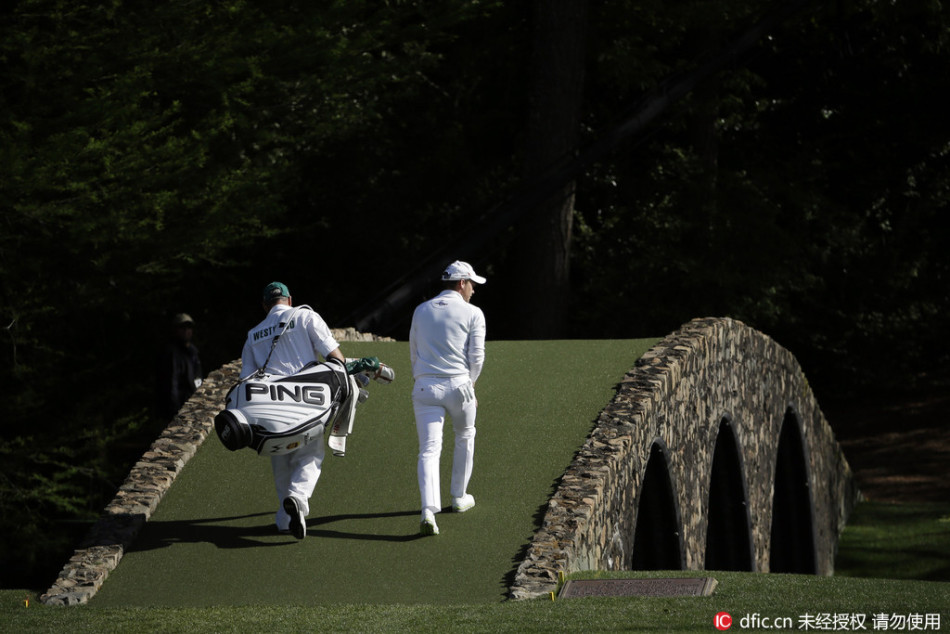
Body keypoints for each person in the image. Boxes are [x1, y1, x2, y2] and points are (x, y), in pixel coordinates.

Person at [240, 281, 345, 540]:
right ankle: (297, 499)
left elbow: (246, 381)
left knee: (281, 459)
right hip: (306, 401)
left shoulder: (253, 334)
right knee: (310, 456)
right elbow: (335, 357)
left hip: (270, 408)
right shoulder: (305, 315)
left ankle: (285, 521)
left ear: (265, 305)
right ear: (289, 299)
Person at [409, 260, 487, 536]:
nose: (474, 291)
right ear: (461, 283)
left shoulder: (420, 311)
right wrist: (472, 385)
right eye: (472, 285)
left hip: (425, 388)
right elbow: (477, 357)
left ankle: (428, 510)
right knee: (465, 434)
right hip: (460, 387)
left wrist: (420, 379)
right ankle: (458, 496)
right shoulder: (473, 313)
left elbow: (414, 352)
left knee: (429, 450)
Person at [156, 313, 203, 420]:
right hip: (179, 407)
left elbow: (198, 376)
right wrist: (175, 409)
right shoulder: (171, 353)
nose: (186, 330)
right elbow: (171, 383)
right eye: (182, 327)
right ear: (175, 330)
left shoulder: (193, 351)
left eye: (189, 327)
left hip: (193, 402)